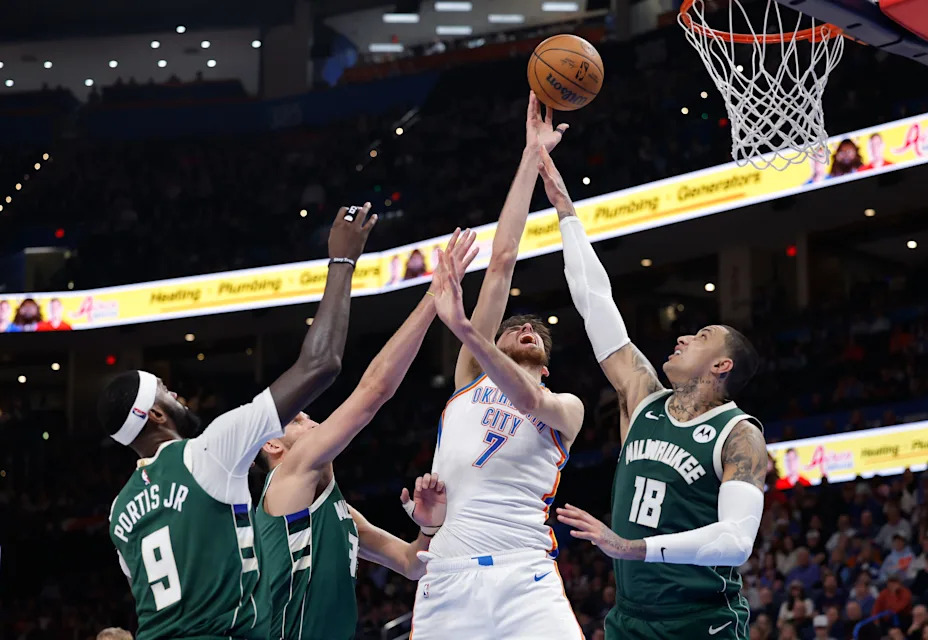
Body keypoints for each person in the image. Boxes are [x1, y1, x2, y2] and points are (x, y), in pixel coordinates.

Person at [99, 205, 376, 640]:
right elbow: (320, 364)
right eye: (166, 392)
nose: (178, 394)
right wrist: (342, 262)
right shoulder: (208, 450)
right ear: (154, 415)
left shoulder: (119, 513)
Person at [539, 145, 766, 640]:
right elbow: (595, 301)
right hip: (631, 620)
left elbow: (736, 541)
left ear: (721, 366)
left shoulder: (738, 435)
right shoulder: (642, 397)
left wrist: (632, 548)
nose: (683, 337)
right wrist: (565, 210)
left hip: (702, 623)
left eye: (701, 336)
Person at [410, 92, 584, 640]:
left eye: (537, 334)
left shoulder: (566, 408)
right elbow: (503, 260)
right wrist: (532, 154)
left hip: (525, 575)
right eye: (515, 329)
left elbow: (528, 401)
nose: (526, 330)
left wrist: (466, 331)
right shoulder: (470, 381)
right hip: (449, 578)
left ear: (546, 365)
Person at [253, 228, 478, 639]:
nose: (311, 418)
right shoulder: (287, 476)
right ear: (273, 445)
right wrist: (434, 295)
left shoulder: (338, 513)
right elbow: (373, 392)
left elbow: (411, 563)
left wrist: (427, 528)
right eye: (297, 419)